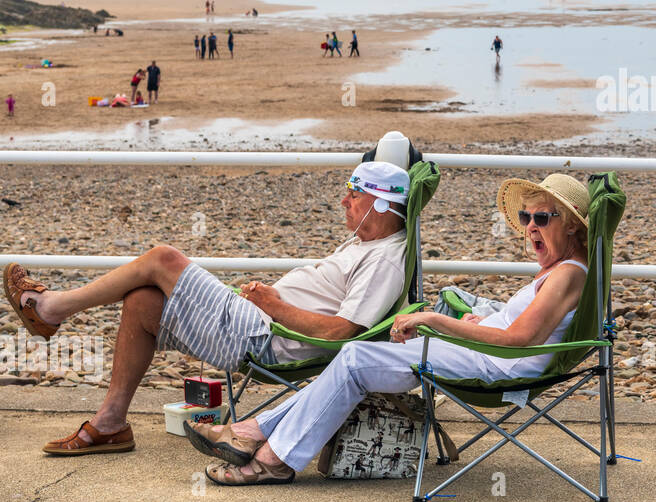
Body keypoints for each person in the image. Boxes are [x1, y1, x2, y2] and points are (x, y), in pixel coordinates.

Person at [187, 173, 591, 486]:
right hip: (488, 356)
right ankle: (250, 432)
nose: (530, 227)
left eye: (542, 218)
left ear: (572, 225)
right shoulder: (558, 271)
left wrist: (437, 321)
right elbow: (520, 328)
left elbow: (520, 341)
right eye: (526, 217)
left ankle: (272, 460)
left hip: (501, 368)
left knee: (357, 359)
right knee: (355, 358)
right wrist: (478, 323)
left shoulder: (567, 275)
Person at [3, 162, 411, 456]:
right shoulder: (366, 245)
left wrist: (273, 304)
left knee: (163, 258)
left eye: (354, 195)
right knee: (142, 300)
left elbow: (342, 333)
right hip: (257, 321)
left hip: (266, 338)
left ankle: (52, 308)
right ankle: (111, 424)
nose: (343, 201)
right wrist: (269, 301)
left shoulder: (384, 259)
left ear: (379, 205)